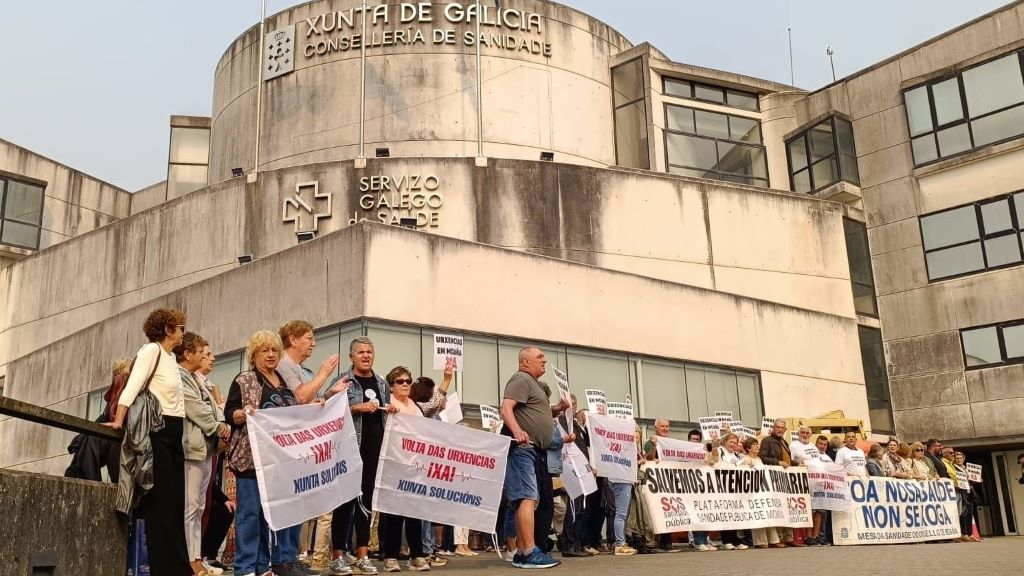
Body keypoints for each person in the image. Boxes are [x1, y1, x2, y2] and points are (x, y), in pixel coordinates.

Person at [109, 308, 191, 576]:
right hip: (158, 431)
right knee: (162, 503)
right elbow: (133, 386)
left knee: (176, 501)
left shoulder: (170, 358)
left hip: (175, 433)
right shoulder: (151, 351)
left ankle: (178, 565)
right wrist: (120, 419)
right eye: (180, 327)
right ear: (167, 329)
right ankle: (164, 568)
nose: (183, 332)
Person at [224, 330, 309, 576]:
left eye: (274, 350)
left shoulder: (283, 381)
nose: (270, 355)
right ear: (254, 355)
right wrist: (244, 413)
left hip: (279, 461)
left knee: (268, 516)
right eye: (265, 350)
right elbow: (230, 413)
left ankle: (263, 566)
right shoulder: (245, 380)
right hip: (251, 459)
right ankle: (245, 567)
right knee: (249, 515)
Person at [327, 337, 395, 576]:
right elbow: (326, 409)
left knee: (366, 504)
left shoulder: (382, 383)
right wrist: (356, 408)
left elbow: (385, 413)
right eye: (361, 352)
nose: (366, 356)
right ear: (351, 357)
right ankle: (338, 555)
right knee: (345, 502)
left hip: (374, 452)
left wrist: (391, 410)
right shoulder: (343, 381)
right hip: (349, 450)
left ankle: (362, 554)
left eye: (369, 352)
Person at [277, 321, 341, 572]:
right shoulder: (284, 365)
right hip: (289, 443)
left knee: (298, 503)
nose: (313, 343)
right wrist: (324, 373)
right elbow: (301, 396)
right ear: (292, 340)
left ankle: (291, 556)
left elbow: (312, 400)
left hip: (302, 443)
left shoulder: (301, 369)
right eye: (308, 338)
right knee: (288, 502)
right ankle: (282, 557)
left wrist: (329, 394)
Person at [500, 347, 569, 569]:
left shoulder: (534, 386)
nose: (544, 361)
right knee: (527, 498)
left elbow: (538, 413)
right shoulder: (521, 378)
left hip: (535, 451)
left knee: (529, 499)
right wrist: (517, 430)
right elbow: (506, 408)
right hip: (523, 449)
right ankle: (529, 551)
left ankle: (523, 551)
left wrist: (557, 408)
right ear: (525, 362)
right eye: (539, 357)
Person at [179, 332, 231, 576]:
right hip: (192, 449)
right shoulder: (181, 378)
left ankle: (197, 557)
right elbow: (198, 410)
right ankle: (190, 561)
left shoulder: (197, 380)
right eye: (201, 352)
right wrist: (219, 427)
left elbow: (213, 409)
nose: (206, 357)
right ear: (188, 354)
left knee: (199, 507)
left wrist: (220, 424)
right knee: (191, 507)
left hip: (206, 449)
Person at [376, 366, 431, 572]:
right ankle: (391, 555)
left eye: (408, 381)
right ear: (391, 386)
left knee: (414, 511)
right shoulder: (388, 403)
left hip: (414, 465)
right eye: (400, 381)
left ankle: (417, 554)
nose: (406, 384)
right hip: (394, 463)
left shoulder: (415, 407)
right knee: (394, 513)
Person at [757, 419, 799, 547]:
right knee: (778, 508)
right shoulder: (767, 441)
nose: (780, 430)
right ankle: (779, 538)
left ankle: (788, 537)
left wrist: (797, 464)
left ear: (785, 430)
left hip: (785, 480)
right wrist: (777, 462)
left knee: (788, 507)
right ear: (773, 428)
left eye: (782, 428)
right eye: (778, 427)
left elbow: (786, 459)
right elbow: (762, 457)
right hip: (774, 480)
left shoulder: (784, 442)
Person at [708, 433, 748, 550]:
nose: (733, 445)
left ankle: (735, 539)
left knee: (734, 514)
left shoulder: (736, 454)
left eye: (735, 443)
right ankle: (726, 540)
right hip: (722, 486)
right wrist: (714, 446)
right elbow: (713, 460)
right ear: (725, 442)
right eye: (731, 442)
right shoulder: (720, 451)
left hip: (735, 488)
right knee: (725, 513)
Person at [740, 437, 779, 548]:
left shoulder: (759, 459)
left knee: (768, 513)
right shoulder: (746, 459)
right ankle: (760, 541)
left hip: (764, 490)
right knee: (759, 515)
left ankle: (773, 539)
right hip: (754, 491)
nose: (757, 447)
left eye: (757, 444)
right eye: (754, 445)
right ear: (748, 448)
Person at [805, 435, 833, 546]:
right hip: (811, 487)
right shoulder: (811, 455)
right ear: (816, 444)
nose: (822, 446)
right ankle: (809, 536)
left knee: (820, 513)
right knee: (811, 512)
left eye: (825, 445)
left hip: (823, 489)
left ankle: (816, 537)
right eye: (820, 444)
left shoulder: (828, 458)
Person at [954, 451, 980, 542]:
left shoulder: (967, 468)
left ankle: (970, 534)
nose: (958, 460)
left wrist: (977, 479)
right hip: (961, 492)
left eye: (960, 458)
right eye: (957, 458)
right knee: (963, 514)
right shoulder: (955, 468)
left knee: (970, 513)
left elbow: (973, 480)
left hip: (969, 492)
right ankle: (964, 533)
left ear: (964, 459)